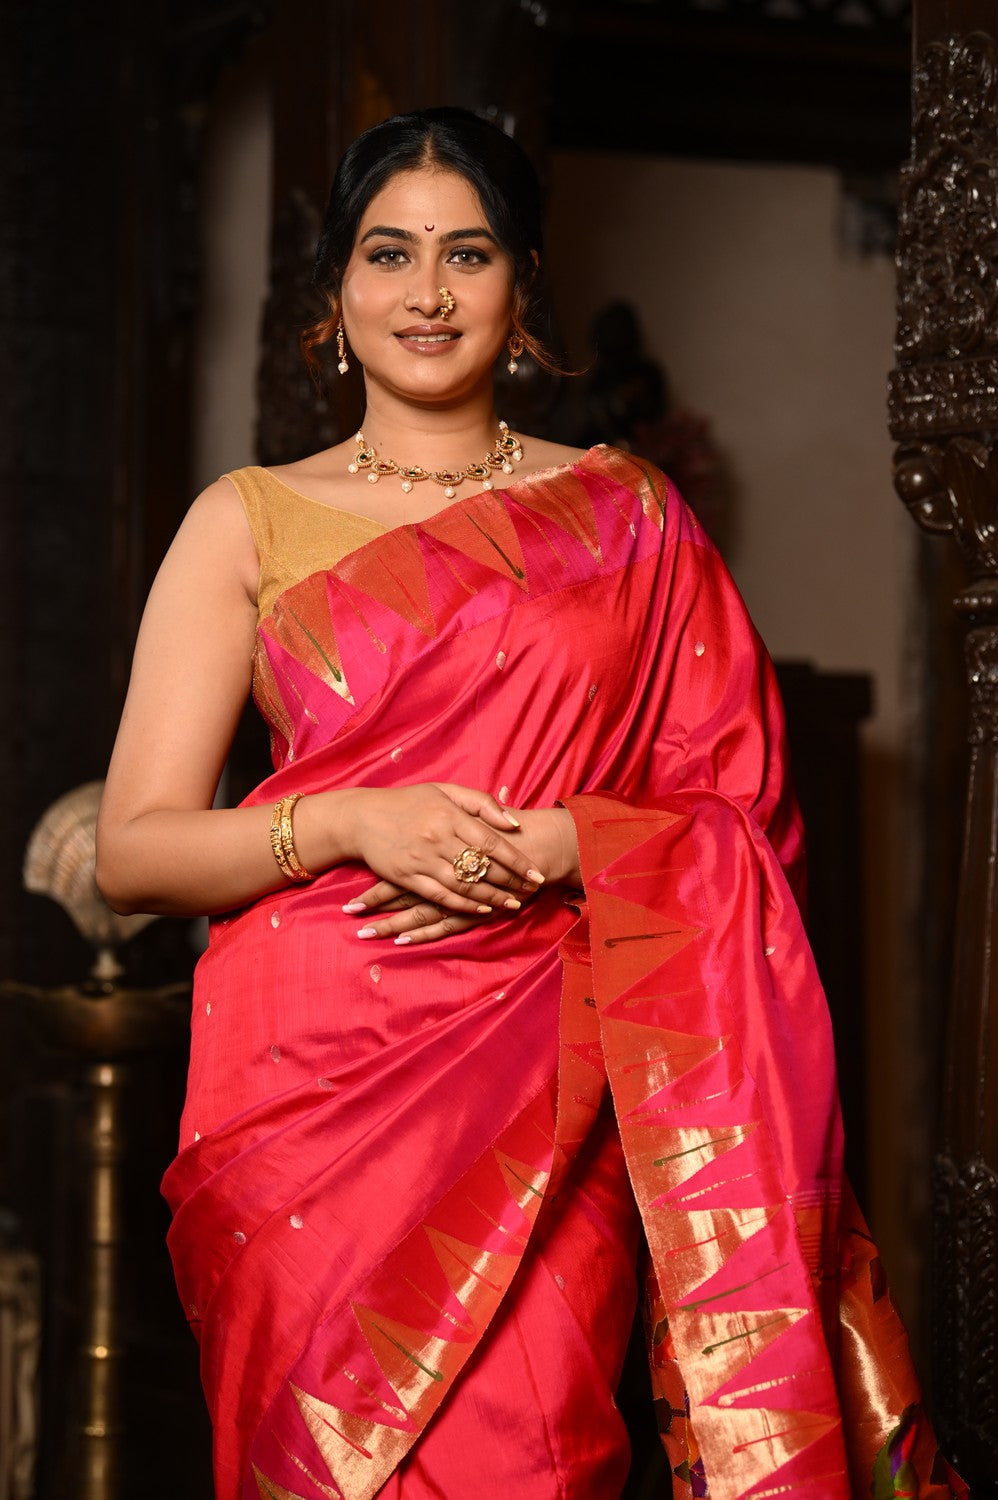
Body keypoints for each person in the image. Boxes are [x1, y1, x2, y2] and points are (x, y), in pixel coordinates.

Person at [96, 107, 963, 1500]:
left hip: (557, 1062)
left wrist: (577, 842)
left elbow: (741, 812)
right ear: (335, 291)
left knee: (535, 1451)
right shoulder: (244, 521)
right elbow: (135, 850)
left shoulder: (631, 518)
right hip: (307, 1087)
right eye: (388, 253)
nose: (426, 293)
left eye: (468, 253)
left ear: (522, 288)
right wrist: (348, 822)